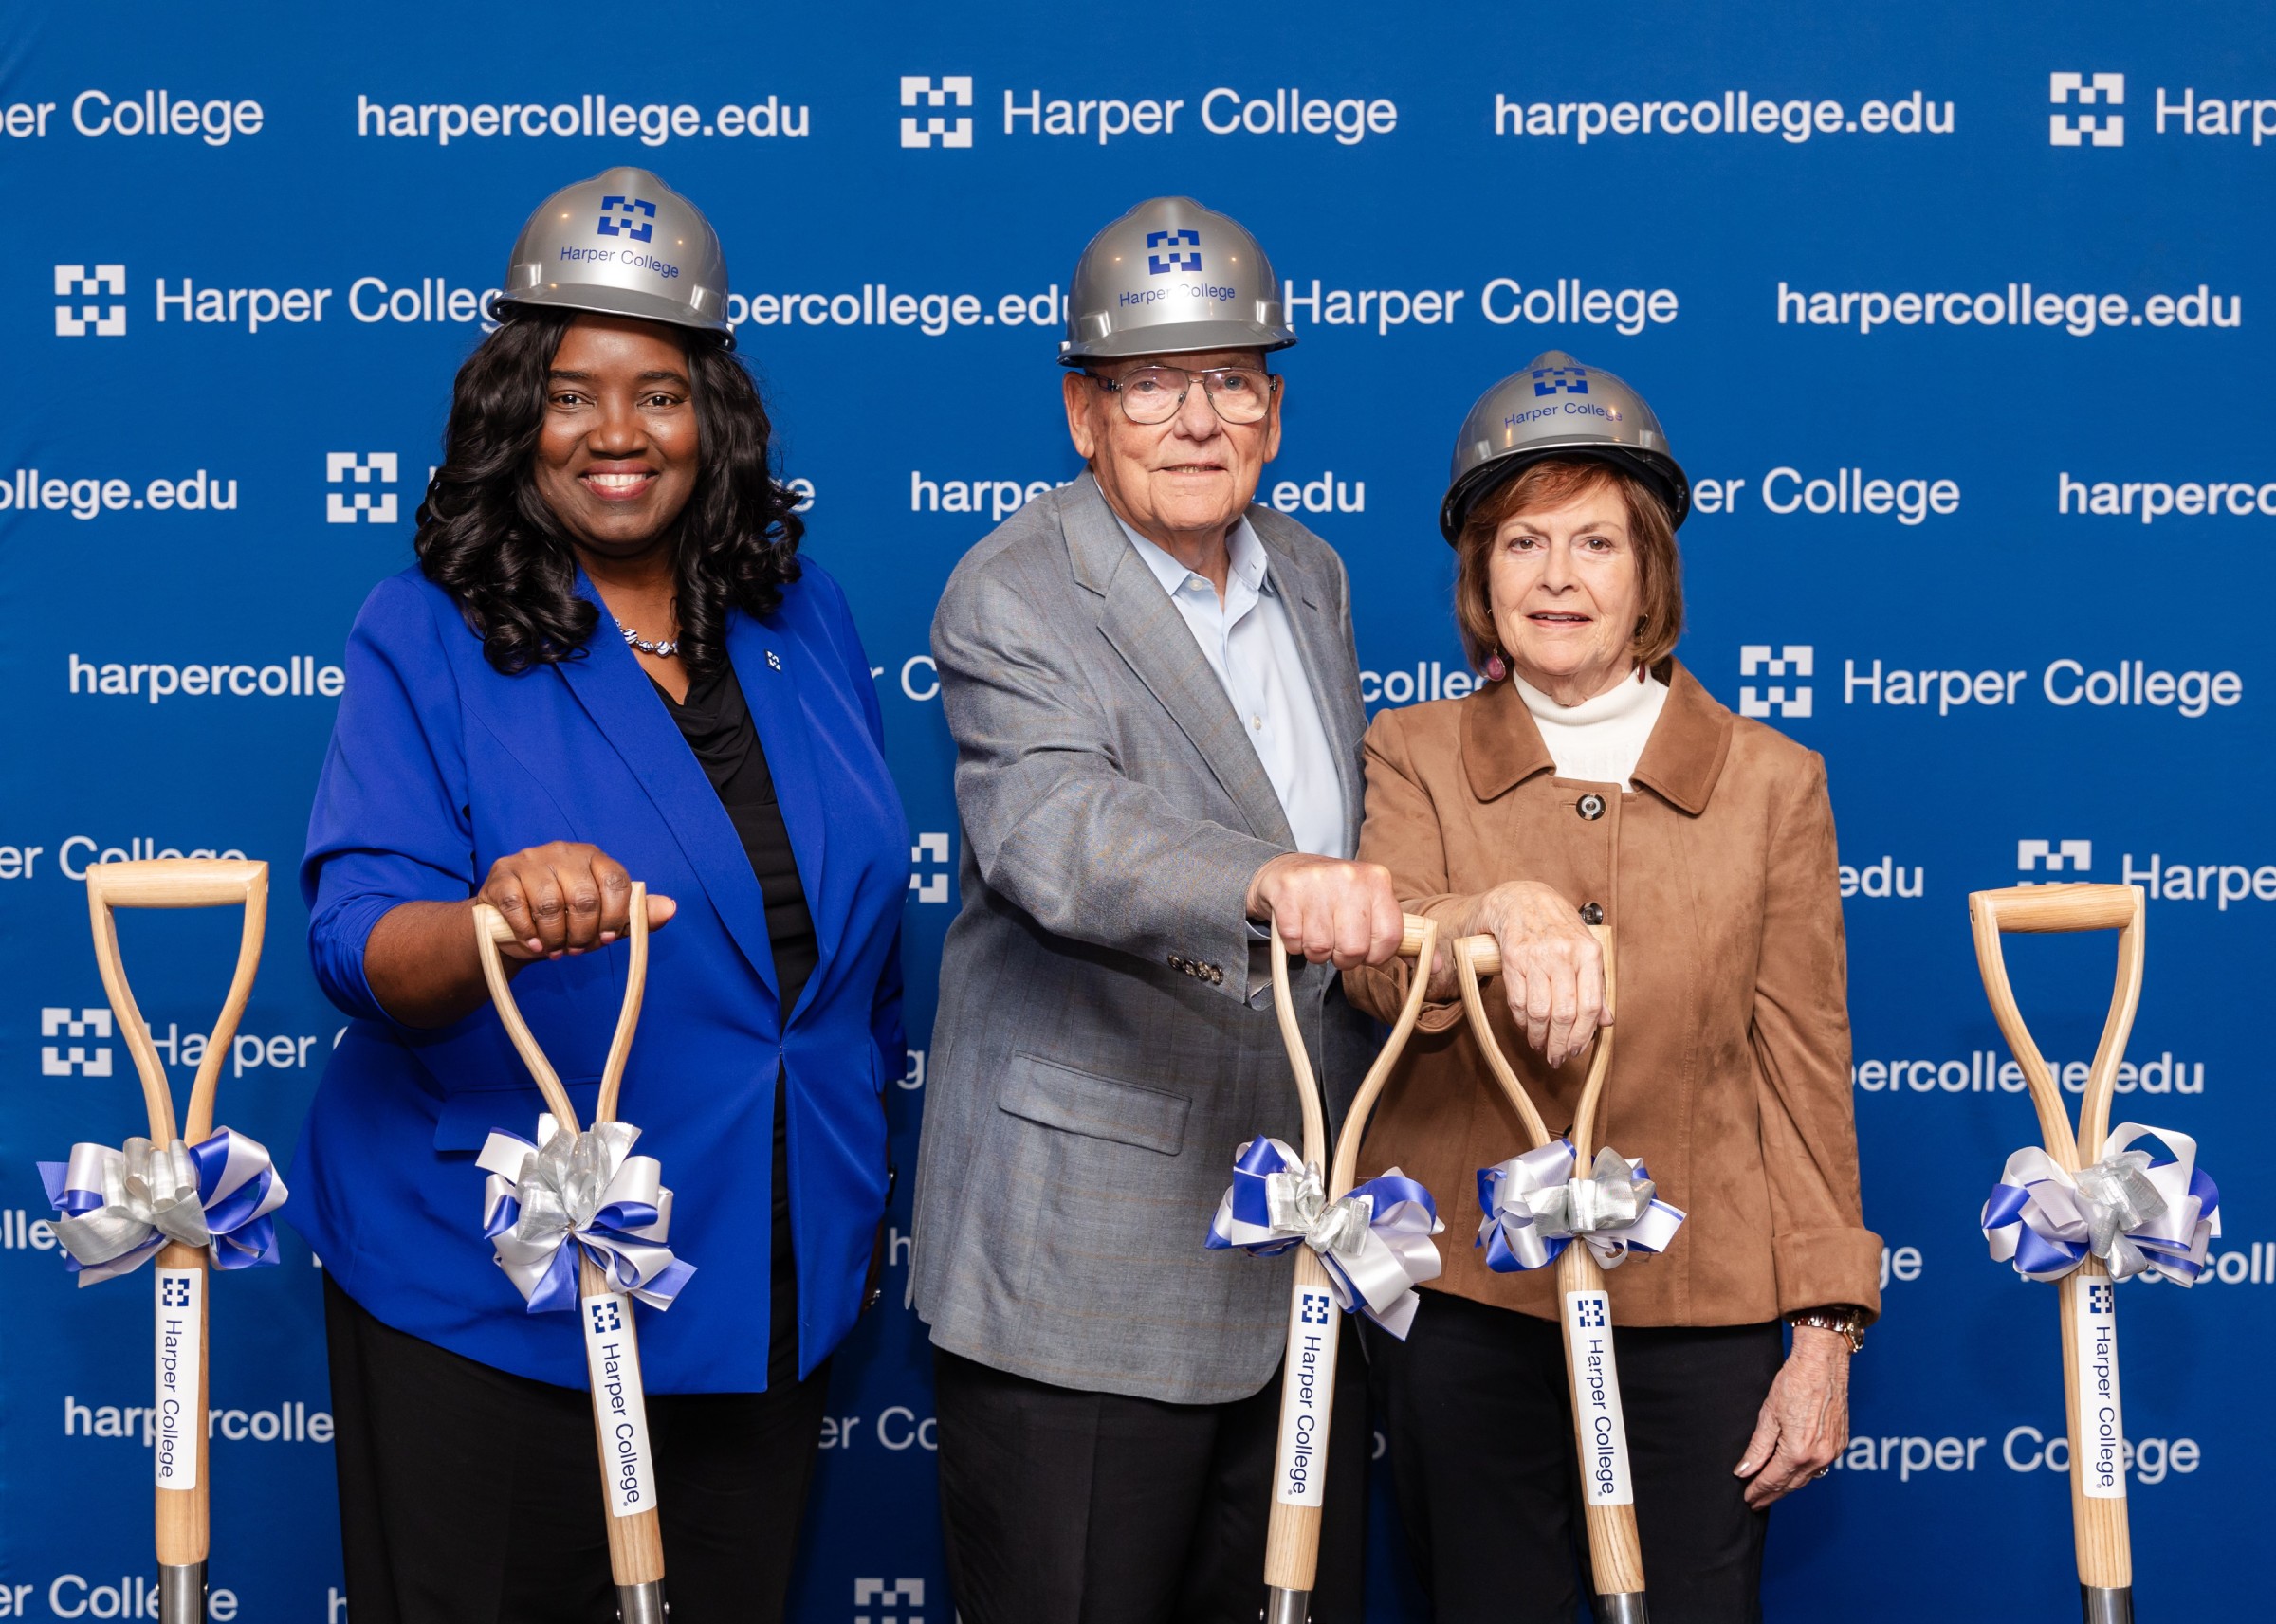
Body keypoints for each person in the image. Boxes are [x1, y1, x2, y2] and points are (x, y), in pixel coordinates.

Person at [287, 168, 908, 1624]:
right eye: (570, 395)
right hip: (493, 1293)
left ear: (717, 417)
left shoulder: (799, 614)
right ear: (516, 416)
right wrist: (493, 915)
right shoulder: (425, 627)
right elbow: (355, 938)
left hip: (768, 1271)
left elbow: (858, 938)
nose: (618, 433)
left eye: (659, 393)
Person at [910, 196, 1405, 1624]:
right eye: (1150, 384)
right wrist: (1267, 879)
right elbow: (1056, 832)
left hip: (1295, 1258)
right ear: (1084, 412)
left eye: (1231, 379)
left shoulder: (1311, 577)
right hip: (1085, 1266)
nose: (1196, 418)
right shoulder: (1012, 591)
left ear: (1274, 405)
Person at [1345, 352, 1880, 1624]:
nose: (1557, 575)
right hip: (1469, 1308)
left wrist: (1824, 1331)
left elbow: (1803, 1065)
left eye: (1596, 541)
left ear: (1651, 573)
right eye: (1520, 542)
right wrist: (1490, 913)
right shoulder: (1410, 750)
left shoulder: (1772, 781)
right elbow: (1376, 962)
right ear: (1478, 578)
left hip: (1704, 1316)